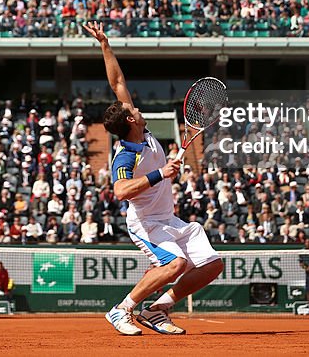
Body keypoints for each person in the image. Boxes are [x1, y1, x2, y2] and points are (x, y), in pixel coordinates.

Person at [85, 22, 224, 337]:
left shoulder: (140, 129)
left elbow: (117, 81)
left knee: (212, 265)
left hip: (169, 219)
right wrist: (160, 173)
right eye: (133, 110)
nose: (137, 108)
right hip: (146, 223)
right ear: (131, 120)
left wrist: (104, 44)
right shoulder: (125, 156)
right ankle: (121, 310)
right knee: (174, 265)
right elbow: (121, 191)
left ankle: (157, 309)